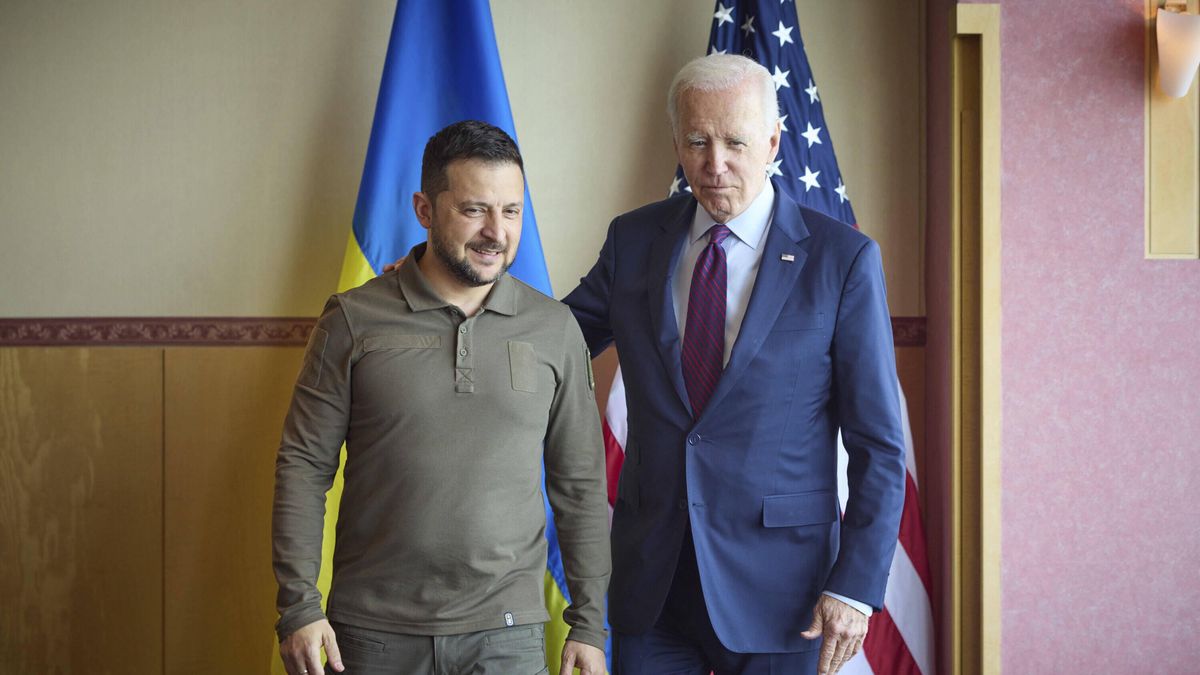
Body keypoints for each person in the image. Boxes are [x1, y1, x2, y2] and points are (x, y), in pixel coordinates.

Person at [561, 54, 907, 675]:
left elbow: (879, 444)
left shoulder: (843, 260)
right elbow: (554, 339)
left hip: (786, 593)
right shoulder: (633, 240)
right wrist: (449, 291)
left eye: (735, 143)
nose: (713, 164)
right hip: (653, 586)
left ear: (773, 141)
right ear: (677, 142)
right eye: (697, 141)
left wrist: (854, 586)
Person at [272, 120, 610, 675]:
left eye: (511, 211)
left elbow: (579, 483)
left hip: (508, 636)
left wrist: (590, 624)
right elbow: (303, 467)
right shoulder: (353, 320)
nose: (496, 232)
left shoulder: (555, 329)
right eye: (474, 209)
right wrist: (299, 608)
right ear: (425, 209)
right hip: (371, 634)